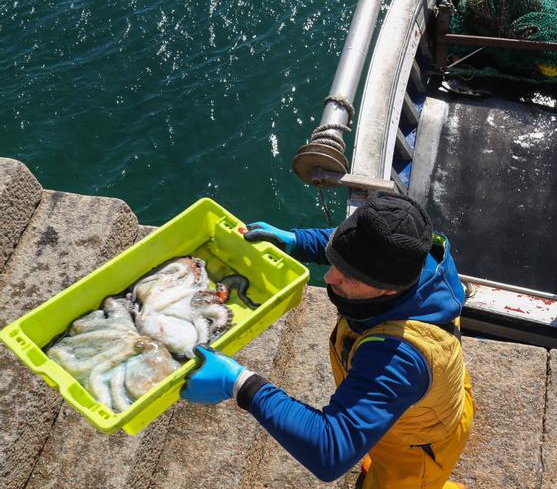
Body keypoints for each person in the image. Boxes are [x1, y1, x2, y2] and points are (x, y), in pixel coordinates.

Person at [181, 192, 473, 489]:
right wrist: (296, 242)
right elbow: (345, 241)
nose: (330, 277)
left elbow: (331, 451)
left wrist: (240, 383)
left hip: (417, 447)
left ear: (387, 290)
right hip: (418, 400)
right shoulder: (412, 251)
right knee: (374, 434)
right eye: (336, 261)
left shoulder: (396, 358)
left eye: (350, 275)